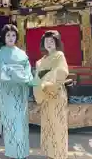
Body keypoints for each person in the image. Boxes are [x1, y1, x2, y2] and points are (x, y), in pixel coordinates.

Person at [0, 24, 34, 159]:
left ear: (16, 37)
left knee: (21, 121)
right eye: (8, 35)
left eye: (13, 35)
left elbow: (28, 74)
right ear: (4, 38)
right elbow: (1, 73)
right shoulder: (0, 53)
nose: (11, 38)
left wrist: (16, 73)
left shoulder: (22, 54)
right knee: (10, 121)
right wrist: (18, 73)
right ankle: (12, 152)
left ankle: (22, 151)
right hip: (7, 93)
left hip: (20, 92)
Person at [33, 30, 69, 159]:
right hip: (45, 97)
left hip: (56, 94)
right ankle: (49, 153)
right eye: (46, 41)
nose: (49, 43)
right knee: (47, 125)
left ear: (56, 43)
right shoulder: (39, 61)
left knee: (58, 125)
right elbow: (36, 79)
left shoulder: (59, 55)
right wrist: (39, 86)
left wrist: (46, 82)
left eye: (52, 41)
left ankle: (59, 154)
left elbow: (62, 71)